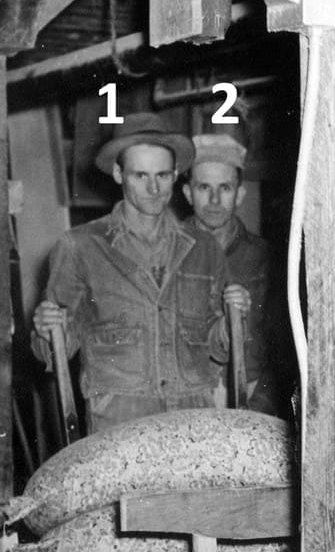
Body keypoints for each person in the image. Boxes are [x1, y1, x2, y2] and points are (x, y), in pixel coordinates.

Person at [32, 113, 249, 435]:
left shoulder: (204, 248)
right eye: (140, 175)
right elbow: (56, 352)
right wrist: (48, 329)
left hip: (193, 418)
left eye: (162, 175)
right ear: (119, 174)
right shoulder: (80, 246)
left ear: (176, 175)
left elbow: (220, 349)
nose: (153, 188)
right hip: (120, 419)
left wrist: (235, 317)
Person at [183, 134, 290, 415]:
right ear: (186, 193)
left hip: (251, 395)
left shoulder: (266, 258)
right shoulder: (168, 254)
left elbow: (282, 349)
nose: (215, 199)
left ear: (240, 194)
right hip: (188, 400)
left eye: (225, 188)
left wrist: (260, 407)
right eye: (204, 187)